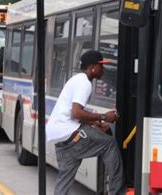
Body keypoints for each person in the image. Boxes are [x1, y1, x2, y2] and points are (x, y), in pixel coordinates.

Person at [46, 50, 124, 195]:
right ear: (92, 67)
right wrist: (104, 116)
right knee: (109, 144)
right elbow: (76, 113)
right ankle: (117, 192)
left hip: (61, 140)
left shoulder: (76, 79)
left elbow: (75, 114)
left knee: (64, 180)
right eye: (101, 66)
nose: (103, 69)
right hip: (71, 134)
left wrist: (96, 123)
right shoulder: (84, 83)